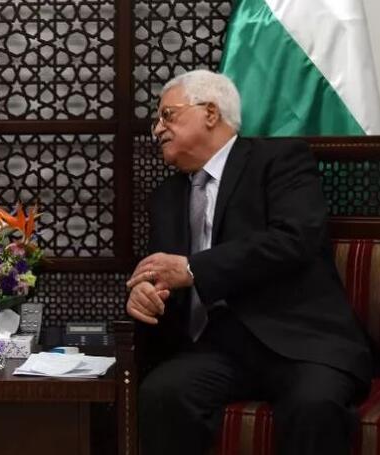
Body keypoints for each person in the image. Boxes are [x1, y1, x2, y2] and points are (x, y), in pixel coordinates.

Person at [125, 69, 371, 455]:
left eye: (167, 115)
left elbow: (294, 239)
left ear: (209, 113)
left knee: (314, 406)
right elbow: (163, 273)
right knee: (162, 393)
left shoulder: (280, 160)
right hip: (218, 350)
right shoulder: (166, 197)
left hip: (300, 342)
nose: (157, 129)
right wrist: (145, 292)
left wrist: (192, 270)